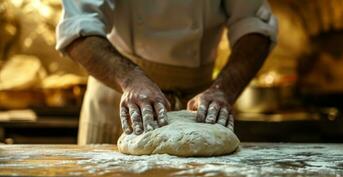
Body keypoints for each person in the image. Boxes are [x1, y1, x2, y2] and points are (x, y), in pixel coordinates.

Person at [56, 0, 278, 144]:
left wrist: (224, 89)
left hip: (201, 108)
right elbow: (77, 27)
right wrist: (130, 79)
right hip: (118, 97)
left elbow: (254, 24)